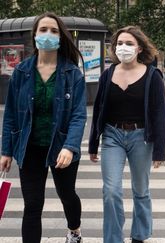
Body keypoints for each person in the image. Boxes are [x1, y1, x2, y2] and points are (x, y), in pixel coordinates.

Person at [0, 12, 86, 243]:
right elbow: (10, 115)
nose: (48, 34)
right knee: (33, 204)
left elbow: (79, 115)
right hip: (30, 147)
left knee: (67, 195)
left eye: (54, 30)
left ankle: (74, 230)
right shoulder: (21, 72)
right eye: (43, 30)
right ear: (35, 35)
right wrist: (6, 150)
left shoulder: (72, 74)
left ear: (61, 37)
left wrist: (69, 147)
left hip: (61, 147)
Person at [88, 26, 165, 243]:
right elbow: (98, 110)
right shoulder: (108, 74)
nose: (123, 47)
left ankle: (139, 235)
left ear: (139, 48)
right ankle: (113, 239)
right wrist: (93, 144)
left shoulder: (152, 75)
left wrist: (160, 150)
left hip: (141, 137)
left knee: (140, 189)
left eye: (129, 43)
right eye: (119, 44)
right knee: (111, 191)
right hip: (112, 136)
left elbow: (160, 114)